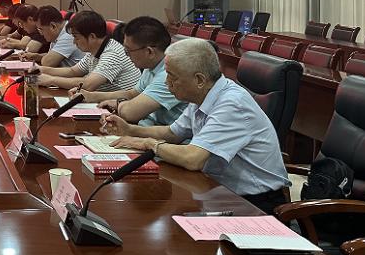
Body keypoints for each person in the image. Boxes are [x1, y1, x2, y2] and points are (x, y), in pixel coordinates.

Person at [102, 37, 290, 214]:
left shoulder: (232, 104)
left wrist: (150, 144)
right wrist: (130, 129)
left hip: (255, 204)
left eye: (172, 77)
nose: (167, 83)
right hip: (216, 190)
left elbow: (193, 158)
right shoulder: (203, 94)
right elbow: (172, 133)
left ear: (199, 80)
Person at [78, 15, 187, 127]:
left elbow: (130, 113)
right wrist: (92, 96)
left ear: (149, 52)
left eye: (128, 51)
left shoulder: (169, 75)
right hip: (147, 127)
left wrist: (118, 103)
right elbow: (132, 94)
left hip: (162, 133)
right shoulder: (152, 65)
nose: (126, 55)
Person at [37, 11, 140, 91]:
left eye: (76, 37)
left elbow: (88, 85)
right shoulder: (95, 50)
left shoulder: (113, 53)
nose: (74, 42)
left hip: (119, 105)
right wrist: (40, 69)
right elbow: (73, 71)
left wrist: (50, 80)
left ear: (92, 37)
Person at [20, 5, 86, 68]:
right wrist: (35, 56)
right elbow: (51, 55)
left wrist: (40, 58)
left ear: (53, 26)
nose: (41, 34)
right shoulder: (58, 32)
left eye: (41, 29)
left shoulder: (68, 34)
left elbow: (47, 62)